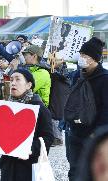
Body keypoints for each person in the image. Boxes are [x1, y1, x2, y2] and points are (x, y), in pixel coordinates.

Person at [64, 37, 108, 181]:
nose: (81, 58)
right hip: (75, 131)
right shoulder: (78, 75)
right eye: (81, 54)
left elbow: (106, 109)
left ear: (95, 59)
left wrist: (98, 134)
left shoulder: (104, 79)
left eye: (85, 56)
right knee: (74, 169)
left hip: (93, 133)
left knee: (93, 170)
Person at [0, 68, 53, 181]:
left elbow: (48, 138)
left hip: (28, 167)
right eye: (11, 79)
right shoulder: (7, 107)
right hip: (8, 166)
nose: (13, 83)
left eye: (18, 79)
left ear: (29, 85)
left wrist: (30, 148)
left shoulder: (39, 108)